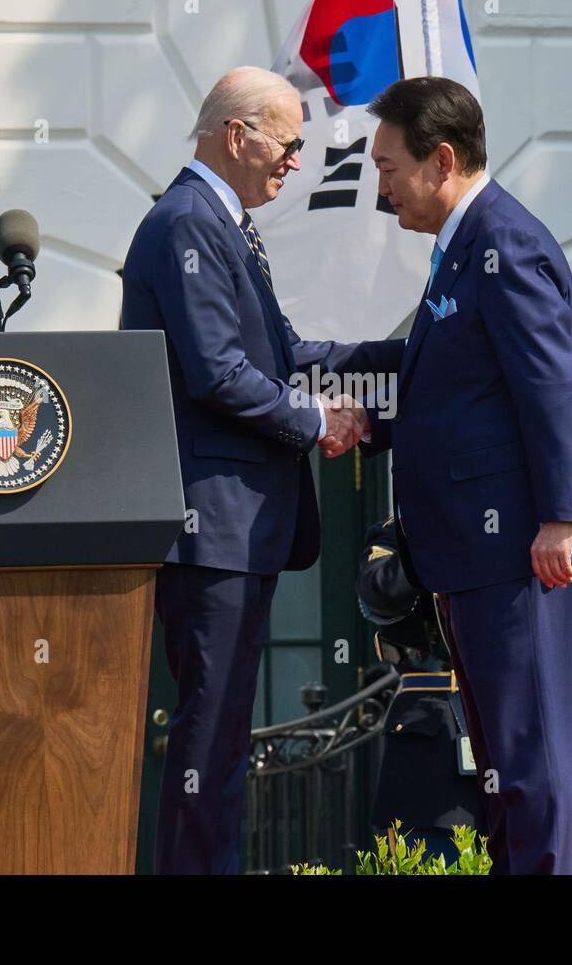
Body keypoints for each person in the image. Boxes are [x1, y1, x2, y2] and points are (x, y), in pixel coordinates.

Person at [119, 66, 405, 874]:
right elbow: (216, 372)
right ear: (237, 134)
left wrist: (408, 354)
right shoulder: (187, 222)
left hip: (234, 530)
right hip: (211, 529)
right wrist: (318, 420)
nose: (295, 164)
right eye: (287, 144)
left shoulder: (223, 223)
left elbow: (286, 354)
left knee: (219, 734)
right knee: (210, 738)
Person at [360, 76, 572, 875]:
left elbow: (553, 385)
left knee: (535, 771)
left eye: (389, 166)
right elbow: (451, 388)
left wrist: (562, 518)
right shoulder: (465, 247)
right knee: (505, 775)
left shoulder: (507, 243)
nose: (380, 186)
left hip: (523, 553)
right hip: (478, 554)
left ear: (440, 160)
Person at [356, 516, 572, 865]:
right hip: (433, 747)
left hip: (526, 737)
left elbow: (571, 635)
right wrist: (433, 535)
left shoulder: (535, 524)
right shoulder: (401, 529)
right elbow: (377, 594)